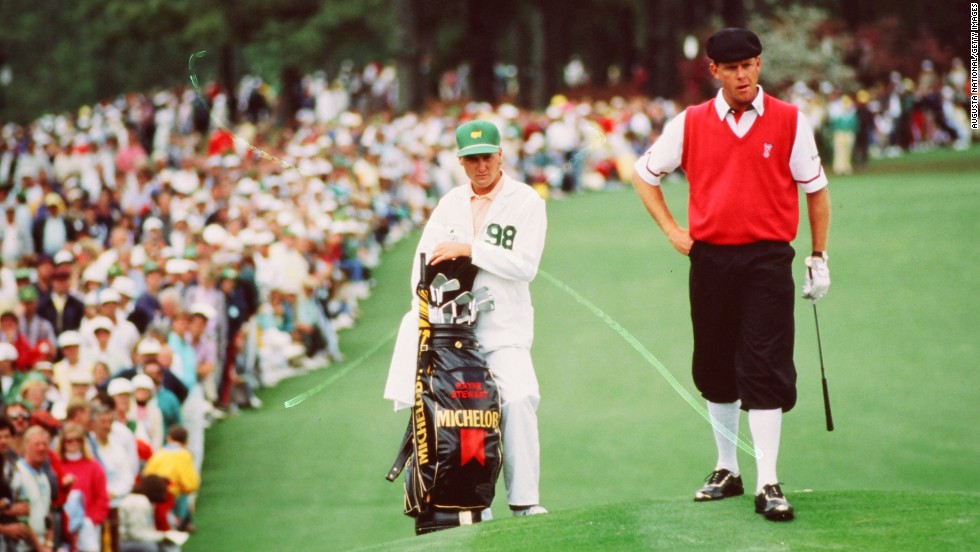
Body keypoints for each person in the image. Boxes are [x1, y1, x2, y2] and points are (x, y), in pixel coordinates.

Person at [631, 28, 831, 522]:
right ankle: (727, 469)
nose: (743, 74)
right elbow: (644, 174)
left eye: (750, 65)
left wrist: (819, 255)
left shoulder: (789, 121)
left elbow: (817, 191)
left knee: (763, 364)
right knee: (716, 365)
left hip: (767, 257)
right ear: (714, 71)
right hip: (711, 258)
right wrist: (674, 231)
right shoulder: (691, 122)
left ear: (759, 65)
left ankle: (767, 481)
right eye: (732, 67)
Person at [384, 119, 549, 516]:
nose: (480, 166)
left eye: (486, 157)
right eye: (472, 159)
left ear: (500, 155)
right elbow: (422, 263)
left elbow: (525, 265)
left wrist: (469, 249)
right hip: (451, 330)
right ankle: (473, 503)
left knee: (520, 398)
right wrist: (430, 311)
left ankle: (525, 501)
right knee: (460, 416)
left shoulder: (527, 201)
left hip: (503, 329)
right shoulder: (450, 203)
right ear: (461, 162)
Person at [56, 423, 109, 552]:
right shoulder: (56, 466)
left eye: (78, 440)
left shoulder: (93, 466)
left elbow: (102, 497)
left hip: (87, 526)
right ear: (63, 443)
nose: (74, 443)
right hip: (62, 528)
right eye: (69, 440)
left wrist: (91, 521)